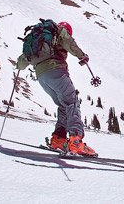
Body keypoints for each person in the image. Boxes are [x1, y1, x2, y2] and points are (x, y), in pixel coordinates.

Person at [16, 21, 96, 156]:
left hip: (42, 77)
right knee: (71, 102)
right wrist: (82, 56)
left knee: (63, 106)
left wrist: (19, 65)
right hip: (56, 71)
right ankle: (76, 142)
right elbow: (68, 42)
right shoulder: (59, 32)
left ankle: (58, 140)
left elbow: (23, 60)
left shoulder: (41, 39)